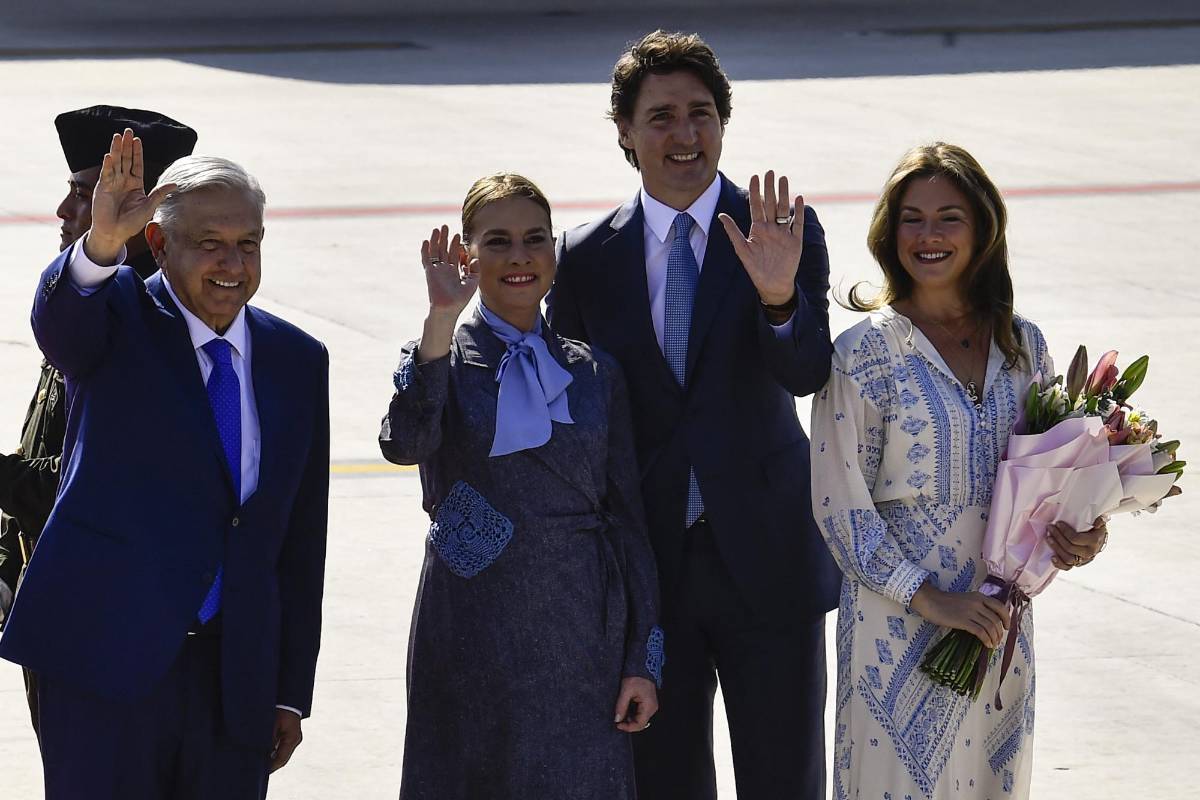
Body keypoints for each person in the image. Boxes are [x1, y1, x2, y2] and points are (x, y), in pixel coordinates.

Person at [547, 30, 839, 800]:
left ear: (724, 123)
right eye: (663, 116)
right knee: (664, 783)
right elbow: (575, 417)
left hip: (767, 564)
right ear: (625, 133)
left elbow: (809, 373)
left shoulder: (781, 231)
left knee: (787, 781)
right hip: (649, 577)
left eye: (702, 114)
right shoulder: (582, 258)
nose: (686, 135)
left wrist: (780, 299)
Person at [0, 131, 330, 799]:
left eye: (248, 244)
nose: (232, 264)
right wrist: (97, 247)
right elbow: (60, 323)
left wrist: (290, 692)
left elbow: (298, 540)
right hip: (103, 668)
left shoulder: (297, 360)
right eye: (210, 243)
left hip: (232, 681)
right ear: (159, 245)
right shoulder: (118, 320)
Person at [809, 141, 1109, 799]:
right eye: (911, 218)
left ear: (982, 229)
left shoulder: (1024, 345)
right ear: (890, 234)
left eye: (949, 217)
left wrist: (1082, 536)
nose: (928, 235)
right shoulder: (865, 353)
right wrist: (933, 599)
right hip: (898, 635)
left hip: (1000, 630)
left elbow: (1058, 480)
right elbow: (841, 509)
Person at [380, 173, 662, 800]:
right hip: (476, 617)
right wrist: (440, 322)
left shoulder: (594, 371)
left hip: (583, 622)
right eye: (498, 241)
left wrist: (644, 657)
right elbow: (404, 444)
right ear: (467, 254)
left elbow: (630, 518)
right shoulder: (439, 357)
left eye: (535, 239)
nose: (519, 257)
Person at [0, 105, 197, 656]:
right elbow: (43, 440)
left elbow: (89, 480)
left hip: (108, 616)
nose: (64, 210)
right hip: (52, 595)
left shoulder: (152, 323)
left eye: (84, 194)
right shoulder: (81, 302)